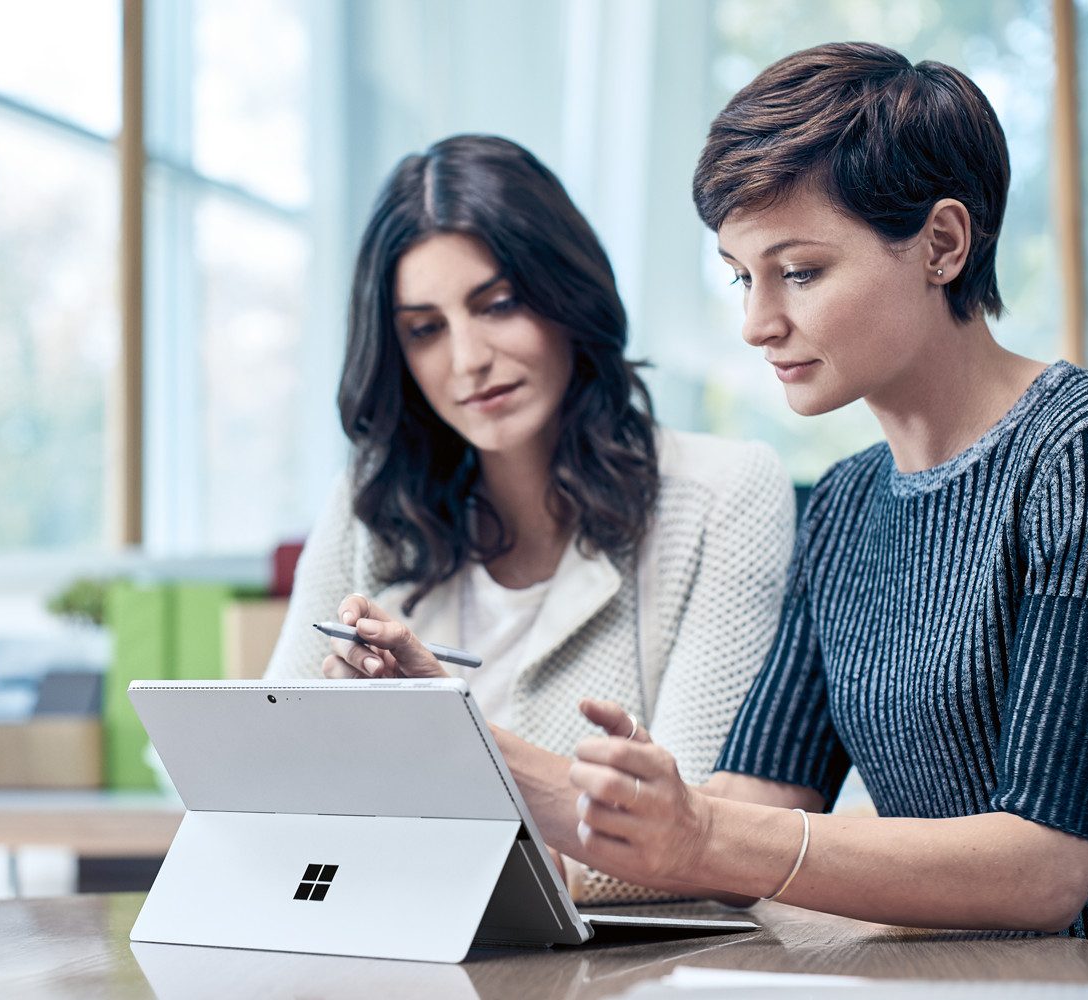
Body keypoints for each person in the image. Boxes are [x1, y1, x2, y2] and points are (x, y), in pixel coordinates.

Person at [518, 42, 1088, 993]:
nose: (755, 324)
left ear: (943, 245)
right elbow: (751, 801)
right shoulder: (844, 505)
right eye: (743, 277)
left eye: (798, 271)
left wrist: (703, 833)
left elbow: (1042, 869)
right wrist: (470, 748)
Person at [264, 134, 796, 903]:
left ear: (566, 291)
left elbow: (693, 829)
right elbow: (263, 782)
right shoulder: (370, 509)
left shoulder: (726, 494)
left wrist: (440, 813)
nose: (467, 359)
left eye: (499, 304)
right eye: (425, 328)